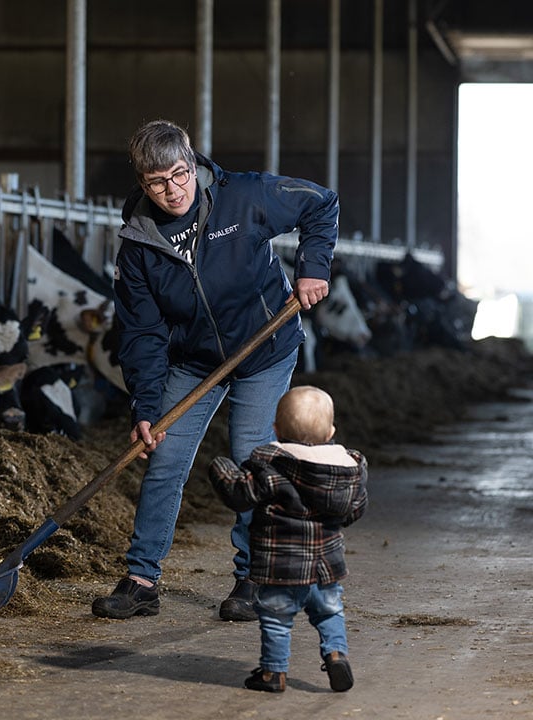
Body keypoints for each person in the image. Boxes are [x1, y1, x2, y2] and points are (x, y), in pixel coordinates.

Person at [92, 119, 338, 622]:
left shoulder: (243, 196)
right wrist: (144, 405)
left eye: (179, 174)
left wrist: (313, 266)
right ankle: (141, 580)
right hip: (193, 362)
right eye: (157, 182)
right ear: (142, 183)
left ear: (192, 163)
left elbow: (321, 203)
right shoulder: (138, 245)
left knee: (251, 463)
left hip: (264, 347)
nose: (172, 190)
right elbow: (141, 333)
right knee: (163, 460)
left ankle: (252, 577)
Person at [208, 385, 367, 692]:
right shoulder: (346, 472)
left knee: (276, 621)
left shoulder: (271, 467)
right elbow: (353, 511)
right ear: (331, 430)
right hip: (325, 570)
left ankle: (273, 673)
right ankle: (335, 654)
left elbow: (240, 494)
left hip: (281, 570)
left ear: (276, 429)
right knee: (330, 612)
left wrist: (221, 467)